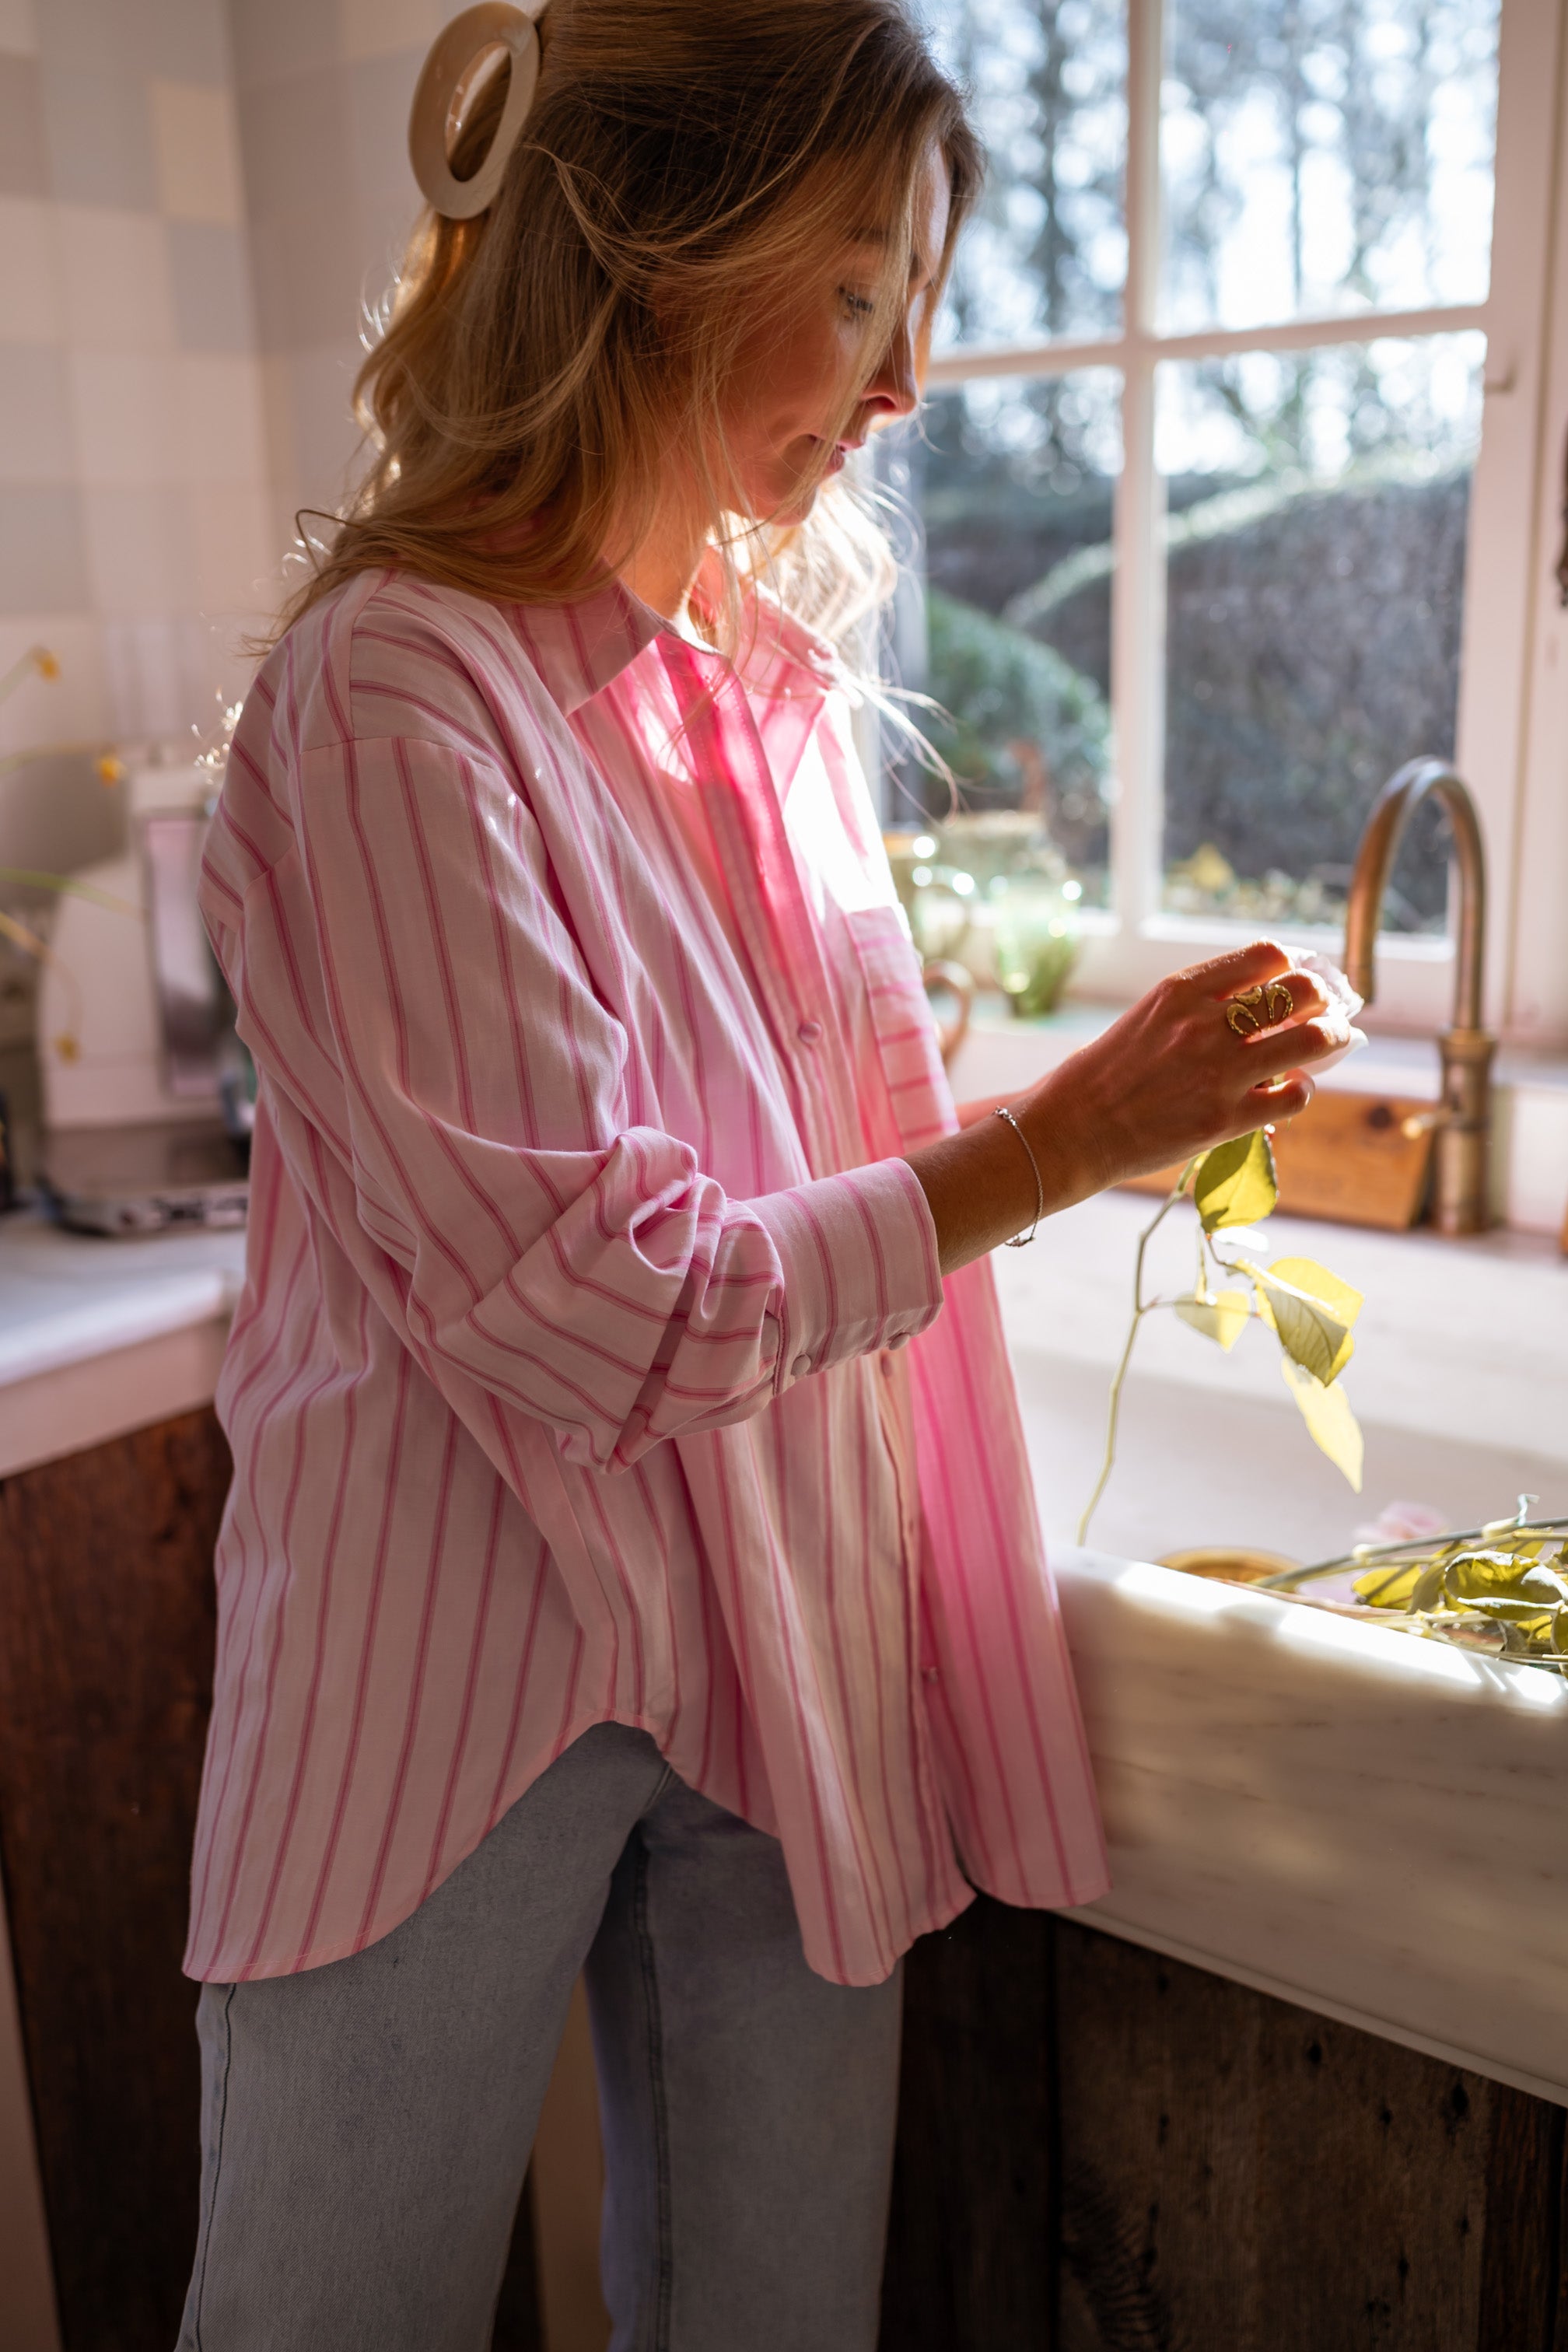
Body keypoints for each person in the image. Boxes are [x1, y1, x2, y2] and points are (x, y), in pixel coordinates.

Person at [175, 4, 1348, 2346]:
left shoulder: (761, 675)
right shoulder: (401, 696)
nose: (907, 378)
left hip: (783, 1644)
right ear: (649, 247)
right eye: (854, 287)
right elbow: (605, 1300)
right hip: (459, 1669)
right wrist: (1076, 1135)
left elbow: (806, 1150)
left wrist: (1081, 1124)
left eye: (913, 306)